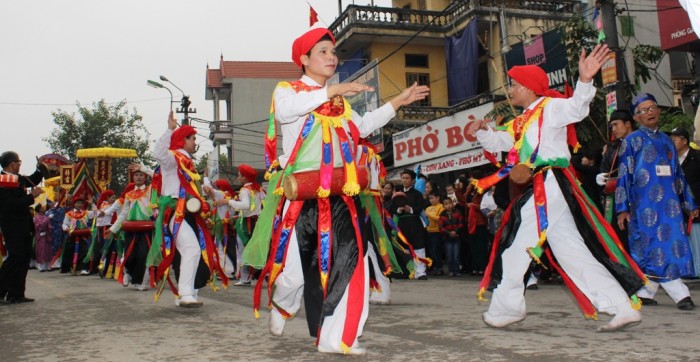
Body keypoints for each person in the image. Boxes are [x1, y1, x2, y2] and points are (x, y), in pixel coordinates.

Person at [247, 27, 429, 355]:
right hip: (299, 195)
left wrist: (397, 102)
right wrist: (331, 90)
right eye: (323, 52)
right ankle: (282, 305)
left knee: (351, 260)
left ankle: (338, 339)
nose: (332, 57)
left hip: (338, 194)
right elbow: (288, 112)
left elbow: (362, 127)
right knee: (293, 276)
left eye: (334, 53)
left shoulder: (339, 103)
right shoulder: (288, 91)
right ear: (304, 60)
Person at [466, 43, 646, 332]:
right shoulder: (522, 120)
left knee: (517, 245)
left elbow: (576, 108)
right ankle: (620, 307)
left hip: (547, 183)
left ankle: (507, 308)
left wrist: (585, 80)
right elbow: (502, 142)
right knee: (571, 252)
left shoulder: (551, 108)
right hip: (545, 187)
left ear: (528, 87)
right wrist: (482, 131)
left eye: (514, 84)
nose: (510, 89)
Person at [616, 95, 698, 311]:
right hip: (644, 207)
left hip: (669, 207)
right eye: (643, 110)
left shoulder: (666, 141)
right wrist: (622, 208)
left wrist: (690, 203)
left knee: (665, 246)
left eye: (652, 108)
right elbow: (624, 175)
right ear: (636, 117)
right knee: (655, 246)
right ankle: (681, 294)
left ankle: (645, 291)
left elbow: (678, 174)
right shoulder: (632, 141)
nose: (650, 112)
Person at [149, 112, 228, 308]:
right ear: (182, 140)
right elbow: (158, 153)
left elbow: (190, 190)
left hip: (190, 214)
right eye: (192, 138)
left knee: (193, 251)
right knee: (191, 249)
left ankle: (188, 292)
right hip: (176, 213)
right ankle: (185, 294)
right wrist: (169, 129)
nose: (195, 142)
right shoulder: (173, 159)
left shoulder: (189, 164)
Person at [0, 151, 44, 304]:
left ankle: (16, 293)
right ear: (12, 164)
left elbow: (31, 180)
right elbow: (10, 205)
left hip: (24, 225)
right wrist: (32, 197)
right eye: (19, 162)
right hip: (12, 225)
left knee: (24, 258)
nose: (20, 165)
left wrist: (40, 170)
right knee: (15, 258)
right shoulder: (3, 180)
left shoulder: (16, 178)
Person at [214, 164, 265, 286]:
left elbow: (246, 205)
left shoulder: (245, 190)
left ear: (245, 178)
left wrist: (228, 201)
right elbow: (264, 203)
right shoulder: (258, 189)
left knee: (242, 250)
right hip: (257, 223)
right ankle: (264, 274)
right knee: (258, 249)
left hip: (246, 224)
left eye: (239, 175)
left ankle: (245, 277)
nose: (238, 177)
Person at [106, 166, 155, 291]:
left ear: (145, 177)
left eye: (141, 175)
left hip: (145, 227)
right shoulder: (129, 194)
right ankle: (127, 271)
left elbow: (159, 178)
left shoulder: (150, 190)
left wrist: (144, 168)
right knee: (130, 254)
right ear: (133, 178)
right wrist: (112, 229)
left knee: (143, 254)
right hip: (131, 228)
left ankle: (139, 282)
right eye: (136, 175)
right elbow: (123, 213)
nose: (138, 177)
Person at [596, 109, 634, 251]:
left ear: (628, 124)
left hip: (638, 200)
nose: (614, 129)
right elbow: (603, 171)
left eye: (616, 125)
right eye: (611, 126)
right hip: (617, 201)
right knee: (619, 240)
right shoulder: (612, 148)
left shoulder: (642, 143)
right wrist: (600, 178)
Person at [671, 127, 700, 278]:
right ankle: (687, 269)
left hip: (696, 205)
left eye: (674, 140)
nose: (671, 142)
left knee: (696, 238)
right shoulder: (671, 160)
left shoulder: (697, 157)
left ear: (684, 141)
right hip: (678, 207)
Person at [391, 169, 428, 280]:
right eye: (403, 178)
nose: (405, 180)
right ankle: (407, 271)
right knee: (404, 248)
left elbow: (420, 207)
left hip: (414, 222)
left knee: (418, 247)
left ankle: (420, 273)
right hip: (402, 223)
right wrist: (399, 209)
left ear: (412, 180)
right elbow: (392, 208)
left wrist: (410, 209)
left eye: (407, 178)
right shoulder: (397, 193)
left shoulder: (417, 194)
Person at [61, 195, 95, 276]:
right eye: (78, 203)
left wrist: (92, 204)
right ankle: (73, 268)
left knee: (85, 251)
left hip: (84, 235)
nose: (79, 205)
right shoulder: (69, 214)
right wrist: (67, 229)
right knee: (71, 252)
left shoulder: (86, 212)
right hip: (73, 235)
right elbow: (65, 224)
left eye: (81, 203)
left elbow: (96, 213)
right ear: (74, 204)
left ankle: (83, 268)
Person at [439, 197, 464, 277]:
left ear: (452, 204)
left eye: (450, 203)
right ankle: (451, 270)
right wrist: (449, 232)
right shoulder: (442, 215)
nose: (448, 206)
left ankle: (457, 270)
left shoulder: (457, 213)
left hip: (457, 237)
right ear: (443, 206)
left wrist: (455, 232)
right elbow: (441, 227)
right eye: (446, 204)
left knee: (456, 255)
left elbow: (461, 224)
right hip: (447, 238)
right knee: (449, 255)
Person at [425, 192, 444, 276]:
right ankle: (435, 267)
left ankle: (439, 267)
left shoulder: (441, 207)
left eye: (432, 198)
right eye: (430, 198)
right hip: (429, 231)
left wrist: (428, 215)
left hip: (437, 231)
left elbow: (439, 218)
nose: (431, 200)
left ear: (438, 198)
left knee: (437, 250)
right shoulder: (428, 208)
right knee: (431, 250)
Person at [33, 204, 52, 272]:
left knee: (48, 250)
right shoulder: (36, 217)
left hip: (47, 235)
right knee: (42, 250)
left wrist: (49, 229)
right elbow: (39, 226)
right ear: (39, 209)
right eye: (42, 207)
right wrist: (47, 220)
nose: (44, 208)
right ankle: (42, 267)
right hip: (40, 236)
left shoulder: (46, 216)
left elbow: (49, 226)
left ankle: (48, 266)